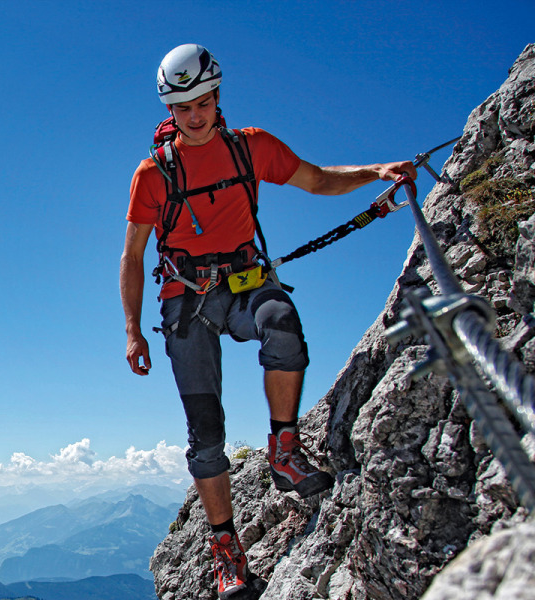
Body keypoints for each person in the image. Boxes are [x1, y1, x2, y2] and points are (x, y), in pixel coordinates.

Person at [119, 44, 416, 599]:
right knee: (206, 434)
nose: (195, 115)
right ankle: (227, 550)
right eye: (182, 108)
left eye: (202, 102)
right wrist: (134, 330)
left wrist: (377, 172)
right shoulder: (153, 175)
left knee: (282, 324)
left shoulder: (251, 148)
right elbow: (132, 255)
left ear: (216, 96)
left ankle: (284, 448)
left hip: (244, 282)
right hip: (185, 299)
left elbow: (319, 180)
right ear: (170, 111)